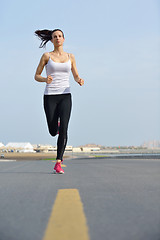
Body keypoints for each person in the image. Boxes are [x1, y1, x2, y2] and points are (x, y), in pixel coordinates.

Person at [34, 29, 84, 174]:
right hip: (50, 96)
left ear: (63, 39)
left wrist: (79, 80)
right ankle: (56, 127)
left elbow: (75, 75)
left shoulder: (70, 56)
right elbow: (36, 75)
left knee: (64, 130)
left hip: (65, 95)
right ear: (51, 40)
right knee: (52, 130)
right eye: (54, 36)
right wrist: (45, 79)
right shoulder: (46, 56)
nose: (57, 38)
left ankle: (58, 162)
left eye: (60, 36)